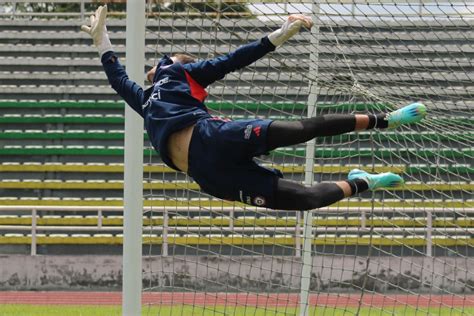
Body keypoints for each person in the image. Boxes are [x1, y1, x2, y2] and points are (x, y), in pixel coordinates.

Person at [82, 6, 427, 210]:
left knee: (298, 131)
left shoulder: (182, 72)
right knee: (303, 200)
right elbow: (117, 78)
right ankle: (363, 182)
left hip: (213, 137)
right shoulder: (146, 100)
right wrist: (102, 41)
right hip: (208, 174)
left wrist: (281, 33)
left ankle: (384, 120)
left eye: (162, 61)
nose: (151, 69)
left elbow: (234, 59)